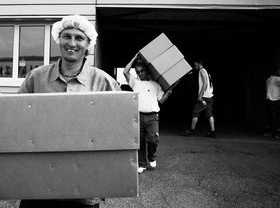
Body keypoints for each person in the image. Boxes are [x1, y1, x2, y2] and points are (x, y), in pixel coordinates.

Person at [18, 15, 120, 208]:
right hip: (38, 187)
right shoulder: (36, 77)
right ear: (59, 39)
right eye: (67, 36)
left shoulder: (104, 82)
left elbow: (117, 133)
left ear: (88, 44)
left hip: (84, 189)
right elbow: (16, 123)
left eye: (79, 38)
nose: (72, 43)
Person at [123, 54, 173, 174]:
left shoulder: (155, 84)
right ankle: (142, 164)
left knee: (153, 140)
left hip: (152, 116)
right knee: (139, 141)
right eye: (137, 72)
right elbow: (125, 71)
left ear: (147, 71)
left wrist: (169, 92)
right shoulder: (135, 82)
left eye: (141, 71)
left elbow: (161, 100)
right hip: (138, 116)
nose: (139, 74)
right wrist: (135, 58)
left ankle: (152, 157)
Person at [182, 60, 215, 138]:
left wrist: (200, 96)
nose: (194, 66)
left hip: (204, 97)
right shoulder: (207, 72)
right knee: (209, 114)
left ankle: (191, 131)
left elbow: (205, 84)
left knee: (195, 112)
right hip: (210, 97)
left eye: (195, 64)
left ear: (200, 64)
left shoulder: (202, 71)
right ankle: (212, 132)